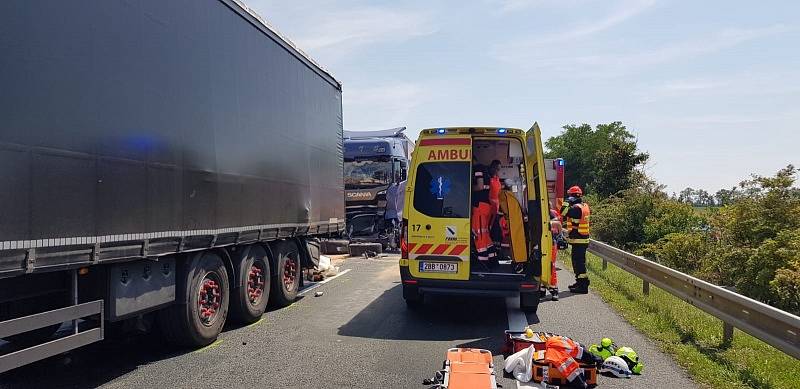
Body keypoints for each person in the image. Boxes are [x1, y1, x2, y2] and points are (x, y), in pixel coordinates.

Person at [561, 186, 591, 294]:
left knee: (578, 264)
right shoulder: (584, 206)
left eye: (569, 196)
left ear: (572, 196)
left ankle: (583, 285)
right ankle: (579, 282)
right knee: (579, 263)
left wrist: (567, 201)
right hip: (582, 239)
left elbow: (563, 212)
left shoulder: (576, 208)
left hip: (579, 240)